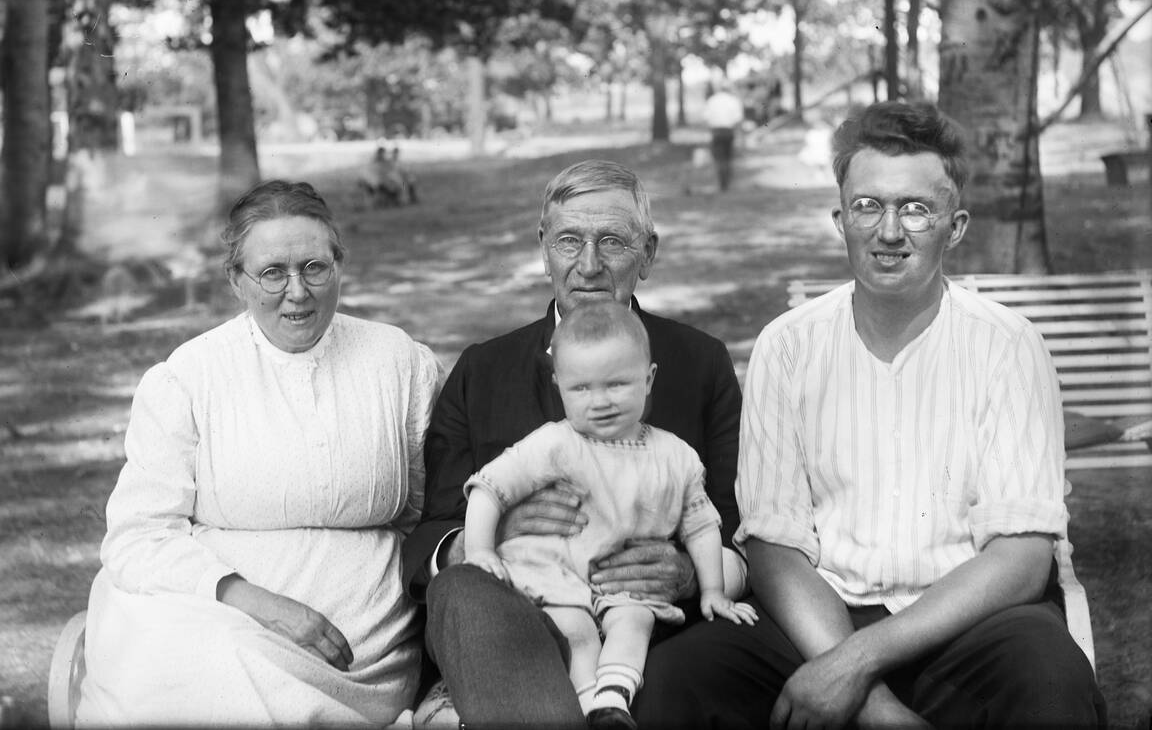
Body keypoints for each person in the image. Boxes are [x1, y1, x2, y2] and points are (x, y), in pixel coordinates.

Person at [639, 101, 1106, 728]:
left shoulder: (1007, 344)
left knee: (1051, 680)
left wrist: (855, 669)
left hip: (971, 617)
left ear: (956, 225)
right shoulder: (788, 345)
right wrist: (873, 704)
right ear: (841, 219)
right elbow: (775, 544)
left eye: (915, 208)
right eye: (868, 206)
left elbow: (1021, 559)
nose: (889, 232)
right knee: (679, 679)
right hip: (819, 616)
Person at [76, 180, 443, 726]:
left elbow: (429, 510)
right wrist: (257, 604)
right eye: (272, 272)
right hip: (211, 608)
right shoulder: (189, 376)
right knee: (201, 674)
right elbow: (137, 535)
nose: (297, 291)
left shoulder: (400, 363)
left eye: (314, 267)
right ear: (237, 281)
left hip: (358, 648)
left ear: (339, 265)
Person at [400, 159, 745, 728]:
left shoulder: (700, 363)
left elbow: (734, 526)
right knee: (463, 590)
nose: (588, 265)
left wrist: (686, 573)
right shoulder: (483, 369)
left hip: (648, 628)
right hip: (509, 617)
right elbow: (430, 535)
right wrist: (493, 538)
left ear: (648, 254)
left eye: (612, 241)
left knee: (686, 678)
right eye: (568, 241)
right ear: (543, 249)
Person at [462, 303, 757, 728]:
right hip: (556, 576)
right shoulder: (553, 444)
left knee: (635, 620)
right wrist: (479, 549)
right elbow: (489, 488)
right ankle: (587, 704)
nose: (600, 401)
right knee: (576, 631)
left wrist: (712, 589)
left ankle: (613, 698)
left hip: (626, 586)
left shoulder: (675, 456)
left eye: (617, 384)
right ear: (558, 384)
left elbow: (701, 524)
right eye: (581, 389)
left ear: (649, 379)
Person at [703, 78, 744, 192]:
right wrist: (740, 135)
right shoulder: (733, 100)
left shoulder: (712, 100)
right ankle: (727, 183)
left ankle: (722, 183)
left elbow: (706, 119)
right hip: (728, 131)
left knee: (719, 158)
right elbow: (738, 120)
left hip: (716, 131)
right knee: (728, 157)